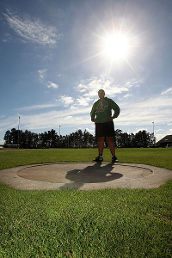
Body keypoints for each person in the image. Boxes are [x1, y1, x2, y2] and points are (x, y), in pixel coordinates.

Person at [90, 89, 120, 163]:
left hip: (108, 122)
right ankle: (100, 156)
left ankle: (114, 157)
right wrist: (92, 118)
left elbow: (117, 108)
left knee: (110, 139)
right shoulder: (96, 103)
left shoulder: (109, 101)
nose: (100, 94)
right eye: (99, 93)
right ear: (98, 94)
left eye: (102, 93)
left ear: (104, 93)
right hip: (99, 123)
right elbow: (92, 112)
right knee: (100, 140)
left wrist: (114, 116)